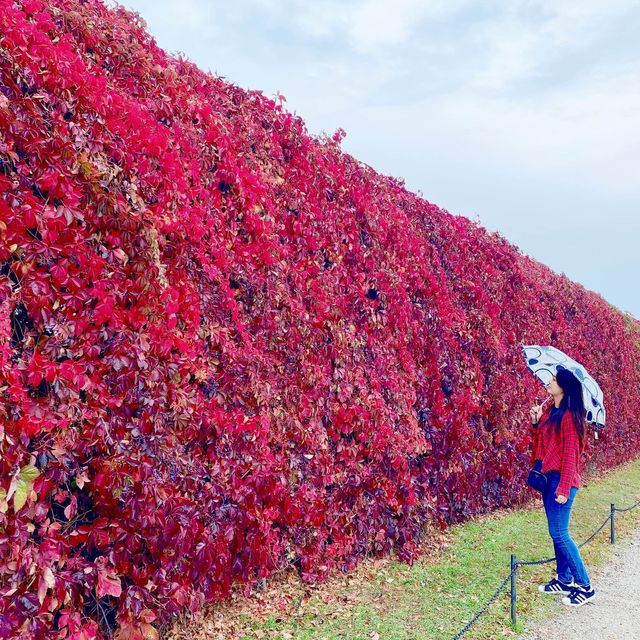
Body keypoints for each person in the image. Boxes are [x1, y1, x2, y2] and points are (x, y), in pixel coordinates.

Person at [529, 367, 596, 607]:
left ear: (564, 388)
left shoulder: (569, 416)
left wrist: (564, 489)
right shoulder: (550, 412)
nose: (549, 381)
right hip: (549, 478)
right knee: (555, 532)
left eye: (554, 380)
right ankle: (564, 578)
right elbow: (539, 446)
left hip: (562, 480)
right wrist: (536, 424)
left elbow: (571, 456)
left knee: (560, 533)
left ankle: (585, 586)